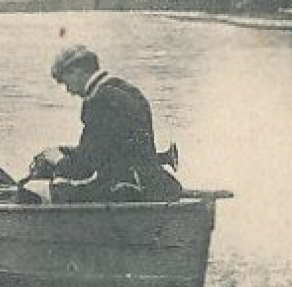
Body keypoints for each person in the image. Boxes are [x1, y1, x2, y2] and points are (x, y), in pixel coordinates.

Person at [28, 45, 182, 202]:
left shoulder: (99, 101)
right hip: (149, 182)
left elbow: (84, 168)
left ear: (77, 71)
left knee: (33, 192)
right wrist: (69, 152)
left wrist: (57, 159)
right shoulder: (125, 89)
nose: (69, 91)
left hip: (126, 189)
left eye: (65, 82)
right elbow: (109, 150)